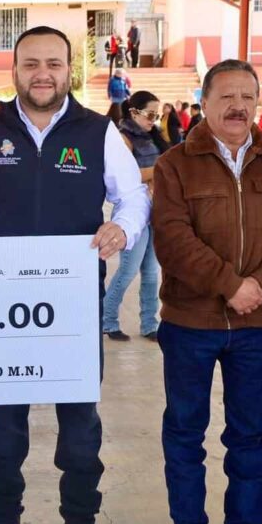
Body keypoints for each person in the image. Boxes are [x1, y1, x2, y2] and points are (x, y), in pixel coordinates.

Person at [0, 25, 150, 524]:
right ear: (15, 69)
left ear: (71, 71)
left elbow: (132, 197)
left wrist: (123, 230)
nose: (43, 73)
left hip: (74, 307)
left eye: (55, 64)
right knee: (4, 425)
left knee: (80, 427)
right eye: (32, 63)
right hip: (1, 304)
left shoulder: (99, 133)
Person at [151, 59, 262, 524]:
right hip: (189, 323)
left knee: (248, 434)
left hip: (257, 326)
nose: (238, 106)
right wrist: (229, 285)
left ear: (259, 104)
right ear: (205, 102)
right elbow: (172, 240)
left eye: (248, 97)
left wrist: (258, 286)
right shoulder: (175, 163)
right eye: (226, 97)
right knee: (184, 430)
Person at [102, 91, 164, 342]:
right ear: (134, 112)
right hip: (131, 213)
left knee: (151, 273)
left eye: (157, 115)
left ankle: (150, 324)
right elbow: (128, 177)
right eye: (150, 114)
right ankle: (107, 320)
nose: (154, 120)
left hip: (155, 210)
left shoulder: (153, 138)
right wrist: (161, 168)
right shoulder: (121, 139)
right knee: (127, 271)